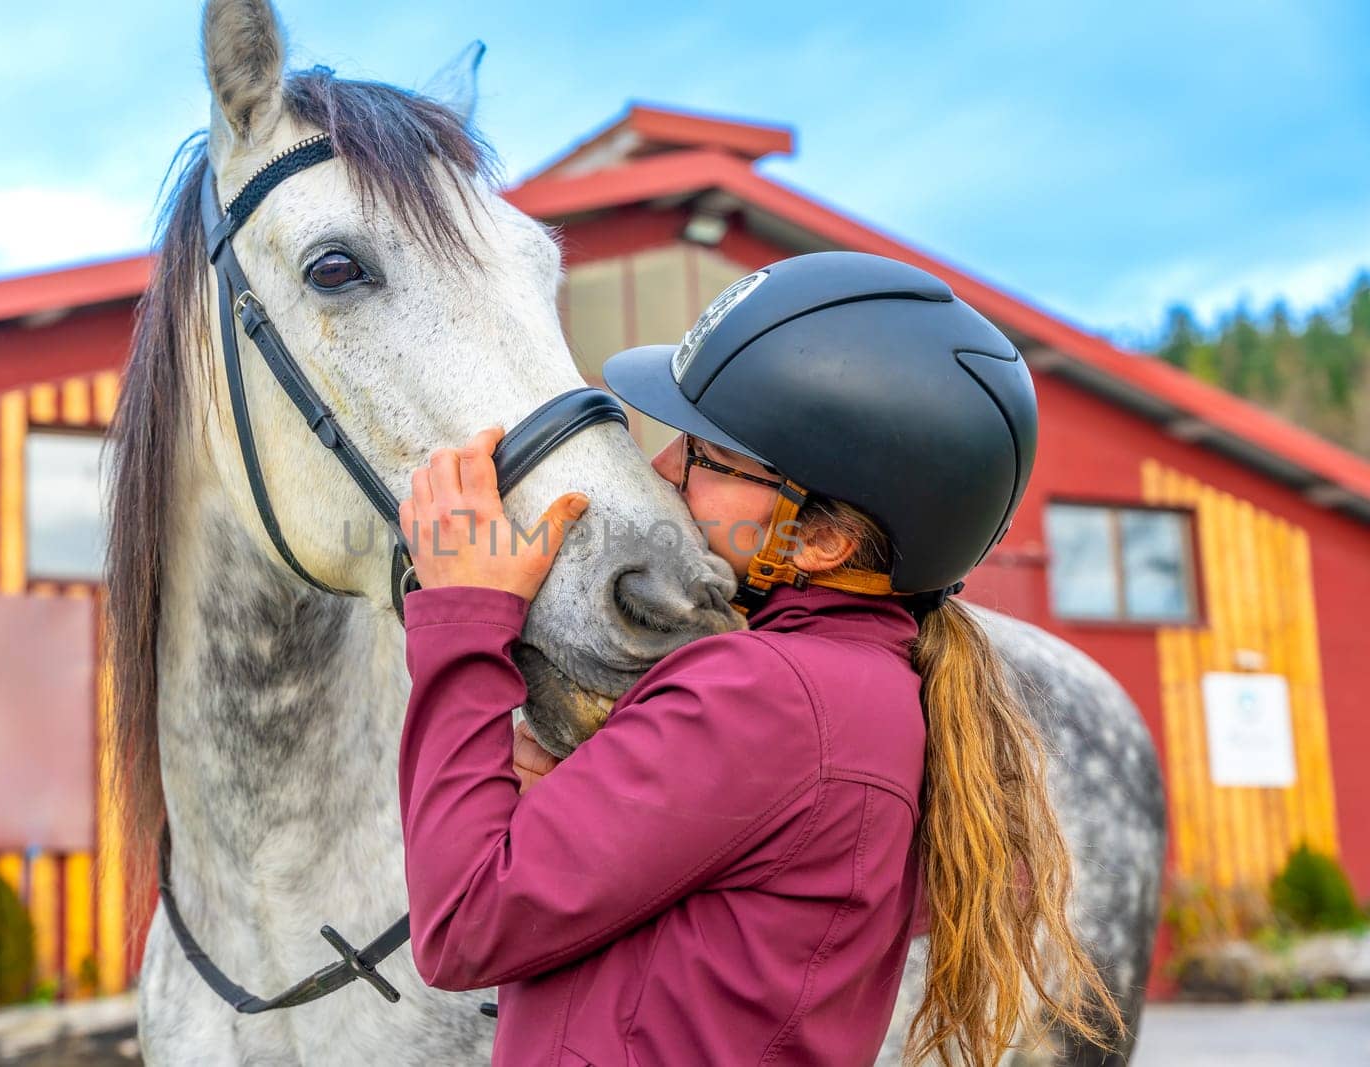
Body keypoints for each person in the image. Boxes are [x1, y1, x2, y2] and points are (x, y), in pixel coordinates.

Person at [396, 252, 1124, 1066]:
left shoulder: (765, 693)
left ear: (820, 538)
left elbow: (463, 922)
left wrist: (460, 615)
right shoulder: (875, 690)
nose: (664, 469)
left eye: (705, 456)